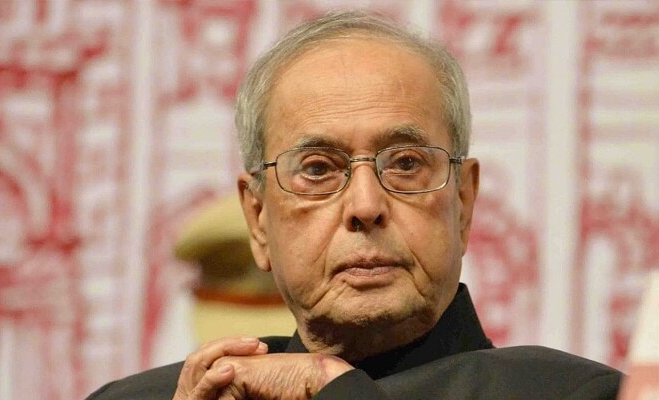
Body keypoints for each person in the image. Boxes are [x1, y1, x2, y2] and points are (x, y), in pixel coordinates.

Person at [87, 11, 622, 400]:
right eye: (319, 169)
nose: (366, 205)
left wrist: (334, 389)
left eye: (406, 163)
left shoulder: (577, 393)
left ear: (463, 202)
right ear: (258, 219)